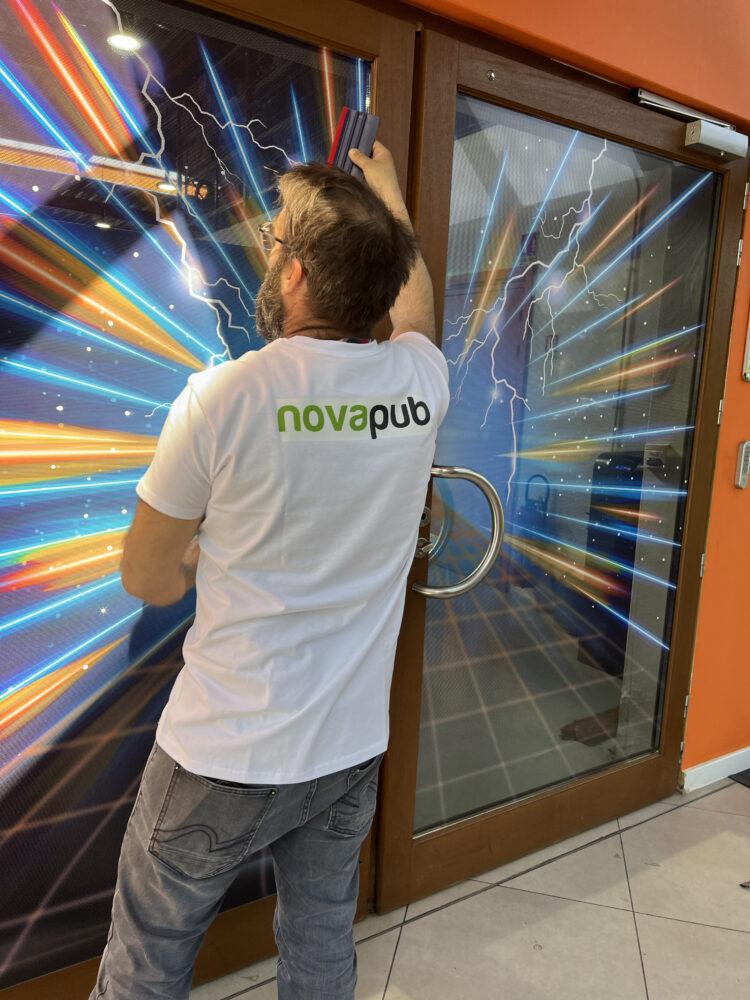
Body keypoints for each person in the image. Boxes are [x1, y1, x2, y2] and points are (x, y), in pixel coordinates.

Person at [89, 142, 449, 1000]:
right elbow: (418, 312)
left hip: (223, 752)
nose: (268, 246)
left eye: (276, 236)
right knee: (320, 946)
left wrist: (189, 561)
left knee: (146, 967)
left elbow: (146, 579)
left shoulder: (223, 398)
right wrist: (389, 197)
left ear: (295, 273)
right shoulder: (418, 381)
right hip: (347, 750)